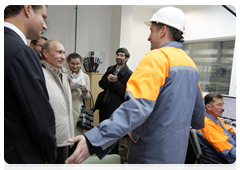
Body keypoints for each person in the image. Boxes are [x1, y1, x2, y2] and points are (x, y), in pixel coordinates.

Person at [63, 6, 205, 170]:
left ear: (163, 30)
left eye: (151, 31)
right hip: (176, 156)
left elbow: (136, 108)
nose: (148, 37)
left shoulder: (157, 58)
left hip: (150, 155)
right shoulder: (190, 65)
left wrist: (93, 139)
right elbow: (198, 117)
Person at [4, 5, 57, 170]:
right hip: (19, 157)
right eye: (43, 17)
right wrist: (50, 152)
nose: (45, 26)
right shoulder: (21, 52)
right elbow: (39, 115)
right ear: (28, 9)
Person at [41, 39, 75, 170]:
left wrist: (70, 135)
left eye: (64, 53)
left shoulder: (64, 74)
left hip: (65, 141)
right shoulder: (39, 74)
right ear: (45, 53)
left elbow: (67, 109)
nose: (63, 56)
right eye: (59, 52)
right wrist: (43, 144)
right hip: (49, 143)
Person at [95, 47, 132, 154]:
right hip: (104, 106)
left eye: (121, 55)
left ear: (127, 58)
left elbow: (126, 92)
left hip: (116, 109)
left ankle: (111, 158)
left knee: (112, 136)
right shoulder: (110, 69)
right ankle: (101, 155)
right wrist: (107, 80)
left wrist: (115, 83)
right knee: (102, 132)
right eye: (117, 55)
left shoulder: (129, 74)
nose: (118, 57)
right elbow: (101, 84)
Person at [196, 92, 238, 170]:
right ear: (208, 107)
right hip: (222, 164)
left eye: (223, 104)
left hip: (229, 158)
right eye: (219, 105)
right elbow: (228, 151)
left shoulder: (217, 120)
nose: (223, 108)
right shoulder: (206, 125)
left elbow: (234, 136)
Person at [66, 52, 91, 137]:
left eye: (77, 64)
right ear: (68, 63)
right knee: (65, 136)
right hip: (65, 109)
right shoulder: (63, 75)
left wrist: (85, 92)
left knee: (76, 137)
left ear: (80, 64)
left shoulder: (85, 77)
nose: (75, 66)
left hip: (78, 112)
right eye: (72, 63)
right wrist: (68, 87)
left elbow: (87, 98)